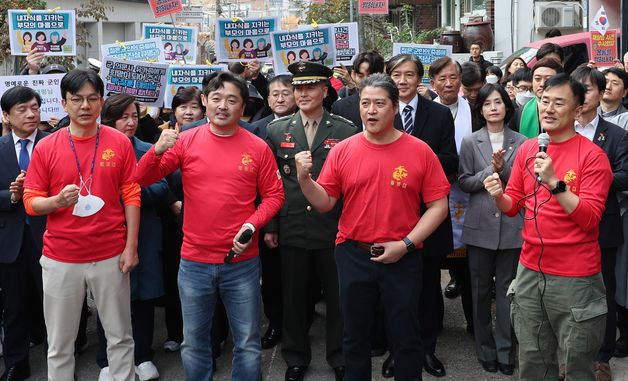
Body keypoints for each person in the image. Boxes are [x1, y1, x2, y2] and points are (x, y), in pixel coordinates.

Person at [295, 73, 450, 381]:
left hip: (403, 256)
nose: (371, 111)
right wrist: (304, 180)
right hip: (353, 254)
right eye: (365, 103)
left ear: (394, 107)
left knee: (406, 336)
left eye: (380, 103)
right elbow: (326, 202)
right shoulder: (343, 150)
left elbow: (438, 206)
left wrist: (405, 244)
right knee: (354, 337)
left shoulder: (419, 150)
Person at [134, 71, 284, 381]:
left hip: (242, 263)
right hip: (194, 262)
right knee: (195, 343)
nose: (223, 106)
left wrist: (252, 224)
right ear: (205, 102)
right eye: (216, 99)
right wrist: (158, 148)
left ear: (243, 106)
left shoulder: (257, 147)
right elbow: (142, 178)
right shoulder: (186, 140)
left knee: (247, 343)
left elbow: (273, 195)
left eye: (232, 100)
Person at [483, 74, 612, 380]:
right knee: (532, 360)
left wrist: (555, 183)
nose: (549, 109)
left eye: (559, 102)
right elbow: (513, 205)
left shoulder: (593, 156)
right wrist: (498, 195)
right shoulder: (529, 149)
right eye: (544, 101)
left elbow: (590, 218)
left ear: (578, 109)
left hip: (576, 278)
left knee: (578, 364)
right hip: (529, 271)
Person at [22, 69, 140, 381]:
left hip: (111, 254)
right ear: (63, 103)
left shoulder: (119, 142)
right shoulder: (47, 147)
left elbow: (131, 193)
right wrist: (57, 202)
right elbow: (31, 202)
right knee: (60, 344)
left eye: (91, 99)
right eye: (77, 99)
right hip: (61, 258)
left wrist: (131, 247)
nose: (85, 106)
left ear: (101, 102)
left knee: (120, 337)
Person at [265, 61, 355, 381]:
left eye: (310, 87)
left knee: (337, 298)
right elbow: (272, 185)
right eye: (298, 87)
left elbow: (350, 185)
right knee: (294, 297)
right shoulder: (276, 130)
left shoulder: (345, 130)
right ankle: (296, 357)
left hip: (333, 227)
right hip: (292, 226)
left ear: (324, 90)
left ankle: (339, 356)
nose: (302, 93)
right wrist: (272, 227)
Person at [385, 54, 458, 379]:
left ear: (420, 79)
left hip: (429, 213)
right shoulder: (379, 111)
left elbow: (450, 161)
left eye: (409, 75)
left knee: (428, 288)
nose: (402, 81)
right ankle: (396, 351)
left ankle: (427, 348)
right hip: (389, 214)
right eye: (397, 75)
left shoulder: (439, 114)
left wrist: (415, 163)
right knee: (394, 290)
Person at [95, 94, 168, 381]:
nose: (130, 122)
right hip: (107, 233)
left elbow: (161, 186)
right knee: (108, 297)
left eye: (134, 116)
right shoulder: (98, 148)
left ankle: (142, 355)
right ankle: (106, 359)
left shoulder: (147, 149)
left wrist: (129, 191)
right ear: (110, 119)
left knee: (143, 297)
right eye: (124, 116)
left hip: (145, 232)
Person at [458, 84, 526, 376]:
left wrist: (505, 170)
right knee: (479, 290)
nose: (494, 108)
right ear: (481, 110)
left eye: (499, 102)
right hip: (480, 226)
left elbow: (523, 184)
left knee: (508, 291)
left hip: (512, 227)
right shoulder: (471, 142)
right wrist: (491, 170)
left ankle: (505, 350)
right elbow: (465, 182)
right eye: (488, 104)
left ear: (507, 107)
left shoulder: (523, 141)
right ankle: (484, 348)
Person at [571, 65, 628, 381]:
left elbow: (625, 174)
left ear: (600, 92)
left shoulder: (617, 135)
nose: (581, 95)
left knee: (602, 292)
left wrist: (590, 180)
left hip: (602, 225)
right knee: (567, 291)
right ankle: (569, 353)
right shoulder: (556, 132)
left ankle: (602, 357)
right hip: (564, 225)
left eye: (588, 89)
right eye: (576, 89)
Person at [0, 86, 48, 381]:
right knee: (14, 305)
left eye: (35, 107)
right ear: (6, 115)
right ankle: (17, 362)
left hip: (51, 235)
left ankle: (62, 361)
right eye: (22, 109)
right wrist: (12, 196)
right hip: (11, 240)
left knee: (57, 305)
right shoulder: (0, 148)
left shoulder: (55, 143)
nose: (31, 114)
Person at [429, 56, 474, 345]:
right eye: (442, 79)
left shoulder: (476, 110)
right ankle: (434, 323)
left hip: (469, 194)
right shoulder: (426, 113)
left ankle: (474, 324)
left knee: (469, 264)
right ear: (432, 83)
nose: (448, 83)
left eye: (453, 78)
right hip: (434, 197)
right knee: (432, 263)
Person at [332, 50, 386, 130]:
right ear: (353, 75)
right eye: (361, 76)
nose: (365, 81)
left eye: (370, 76)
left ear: (381, 75)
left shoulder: (391, 105)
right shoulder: (339, 108)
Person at [511, 57, 564, 137]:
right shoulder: (518, 114)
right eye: (537, 79)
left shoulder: (568, 112)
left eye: (548, 79)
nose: (542, 84)